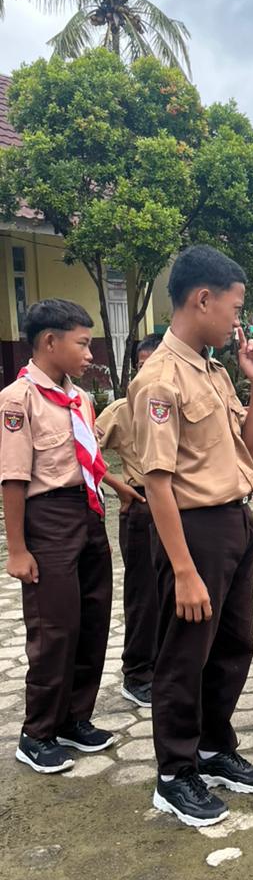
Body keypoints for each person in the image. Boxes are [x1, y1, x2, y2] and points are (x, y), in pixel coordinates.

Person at [129, 244, 253, 826]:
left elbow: (249, 451)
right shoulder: (159, 380)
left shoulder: (211, 371)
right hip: (192, 531)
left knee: (233, 646)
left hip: (232, 519)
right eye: (235, 308)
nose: (239, 322)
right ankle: (175, 774)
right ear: (203, 299)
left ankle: (214, 748)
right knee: (184, 656)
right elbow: (156, 483)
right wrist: (184, 570)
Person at [0, 299, 132, 773]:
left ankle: (76, 717)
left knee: (92, 618)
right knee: (55, 629)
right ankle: (37, 733)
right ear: (50, 341)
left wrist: (116, 486)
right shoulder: (18, 400)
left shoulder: (77, 397)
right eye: (83, 343)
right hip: (48, 518)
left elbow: (86, 456)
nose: (90, 353)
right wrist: (18, 549)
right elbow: (13, 477)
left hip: (88, 512)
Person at [95, 332, 163, 708]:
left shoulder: (178, 402)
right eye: (140, 366)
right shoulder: (122, 409)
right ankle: (137, 674)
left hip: (181, 506)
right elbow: (82, 449)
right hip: (141, 506)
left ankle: (164, 664)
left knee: (174, 592)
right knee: (144, 596)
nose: (146, 374)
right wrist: (117, 485)